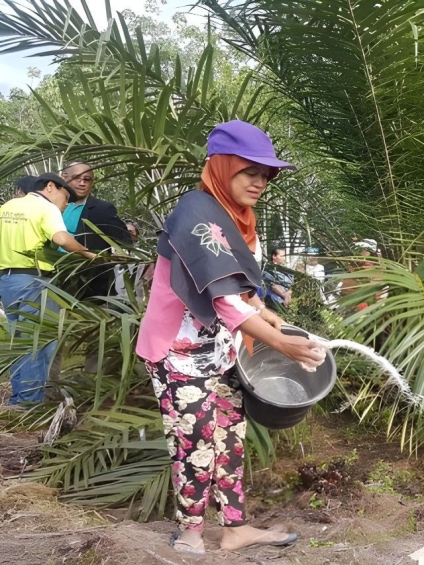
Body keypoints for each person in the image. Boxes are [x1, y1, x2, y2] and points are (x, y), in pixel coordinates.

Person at [135, 120, 327, 555]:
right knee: (195, 438)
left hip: (220, 350)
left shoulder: (238, 217)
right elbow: (220, 298)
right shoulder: (194, 214)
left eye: (266, 175)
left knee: (229, 437)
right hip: (178, 353)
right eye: (249, 172)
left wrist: (265, 311)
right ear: (222, 167)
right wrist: (280, 343)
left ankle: (235, 528)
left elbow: (239, 289)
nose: (259, 182)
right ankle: (191, 532)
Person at [0, 174, 94, 408]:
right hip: (36, 281)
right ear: (51, 187)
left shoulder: (9, 206)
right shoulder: (46, 207)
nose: (65, 204)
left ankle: (17, 399)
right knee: (39, 343)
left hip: (8, 280)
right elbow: (61, 238)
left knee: (20, 340)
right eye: (65, 198)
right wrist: (91, 255)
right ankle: (30, 403)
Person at [61, 162, 130, 298]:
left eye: (87, 179)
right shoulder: (52, 207)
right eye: (77, 178)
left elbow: (123, 240)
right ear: (64, 177)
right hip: (52, 277)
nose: (82, 183)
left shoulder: (102, 209)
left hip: (88, 284)